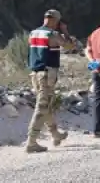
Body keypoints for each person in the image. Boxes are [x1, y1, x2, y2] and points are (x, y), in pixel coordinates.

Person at [25, 9, 76, 153]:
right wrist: (65, 32)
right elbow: (70, 46)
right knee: (42, 107)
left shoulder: (34, 32)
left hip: (35, 73)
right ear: (56, 20)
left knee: (47, 104)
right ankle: (31, 141)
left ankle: (55, 134)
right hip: (46, 74)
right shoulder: (52, 34)